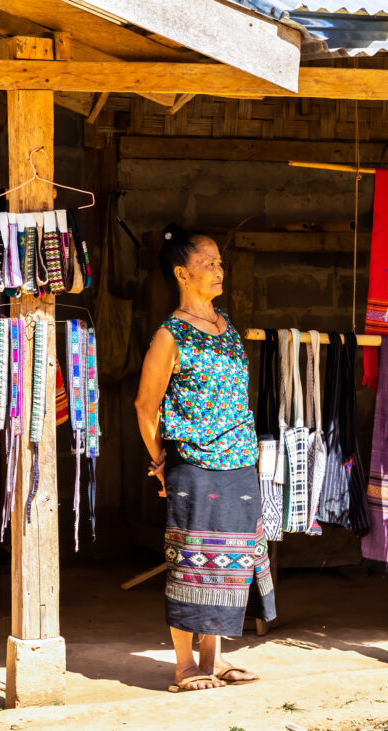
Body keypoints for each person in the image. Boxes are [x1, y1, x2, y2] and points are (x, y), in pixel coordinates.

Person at [135, 224, 275, 692]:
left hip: (239, 461)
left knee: (230, 563)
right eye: (208, 263)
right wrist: (160, 462)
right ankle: (183, 665)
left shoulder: (226, 324)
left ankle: (213, 661)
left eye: (219, 262)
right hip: (193, 465)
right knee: (192, 563)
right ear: (181, 273)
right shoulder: (169, 335)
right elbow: (145, 405)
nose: (219, 269)